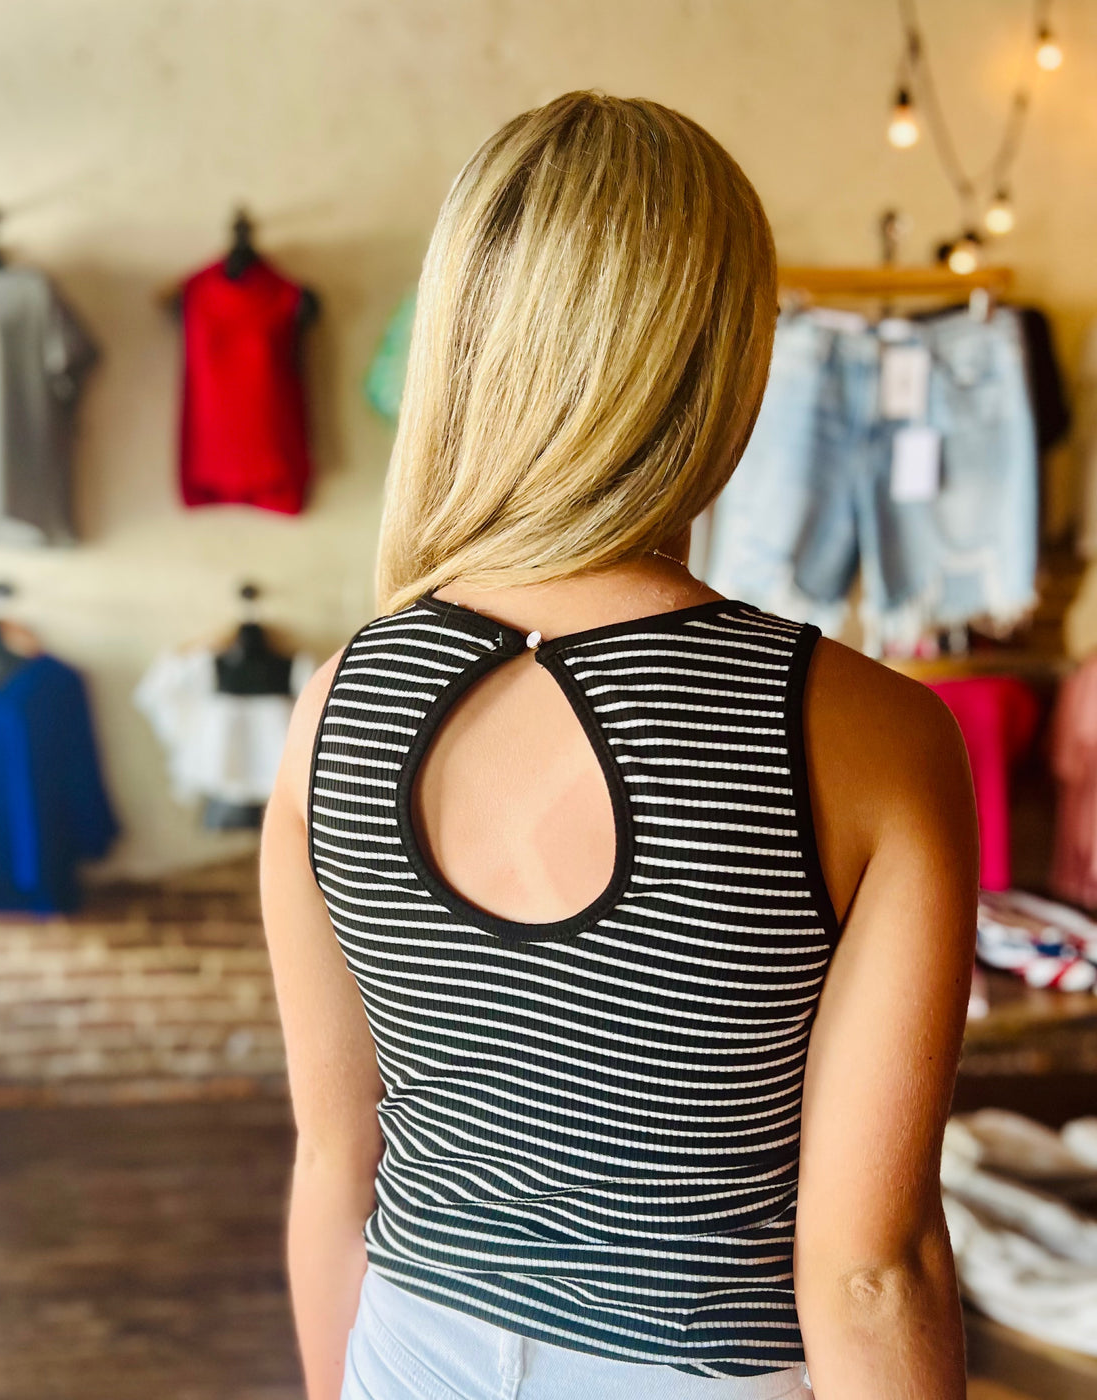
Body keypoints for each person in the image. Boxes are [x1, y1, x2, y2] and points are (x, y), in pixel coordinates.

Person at [259, 91, 977, 1400]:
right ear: (724, 358)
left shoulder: (334, 706)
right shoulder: (874, 739)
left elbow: (331, 1162)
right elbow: (872, 1273)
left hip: (407, 1351)